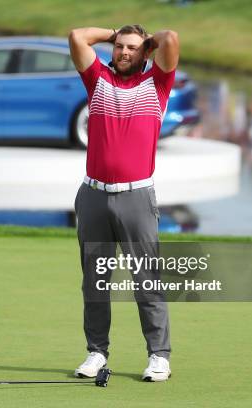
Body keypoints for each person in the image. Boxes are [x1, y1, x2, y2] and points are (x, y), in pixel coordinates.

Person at [68, 24, 179, 382]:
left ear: (146, 52)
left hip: (136, 197)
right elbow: (77, 37)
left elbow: (171, 39)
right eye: (119, 47)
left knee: (146, 279)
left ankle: (158, 356)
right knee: (96, 280)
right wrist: (113, 32)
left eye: (132, 48)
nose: (124, 53)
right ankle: (96, 352)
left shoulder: (156, 86)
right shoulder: (97, 79)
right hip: (93, 196)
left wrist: (148, 42)